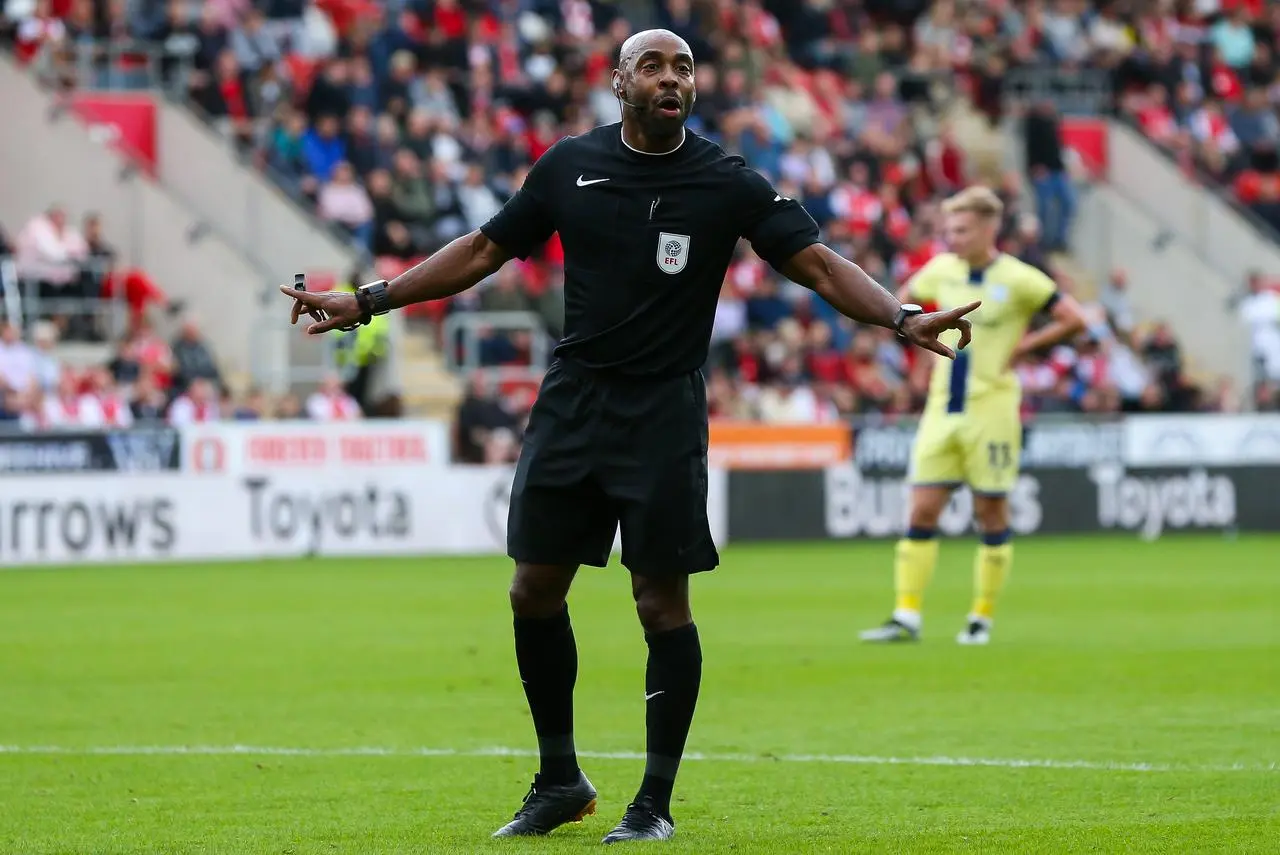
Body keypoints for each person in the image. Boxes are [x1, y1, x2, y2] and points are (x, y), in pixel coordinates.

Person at [280, 29, 977, 844]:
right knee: (531, 589)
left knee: (659, 602)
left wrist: (899, 314)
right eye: (653, 65)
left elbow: (818, 265)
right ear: (619, 82)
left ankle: (653, 803)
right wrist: (368, 299)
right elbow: (480, 250)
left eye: (682, 66)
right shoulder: (568, 164)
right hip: (574, 401)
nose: (671, 78)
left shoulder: (726, 181)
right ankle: (558, 777)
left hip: (663, 411)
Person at [859, 186, 1086, 647]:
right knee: (922, 507)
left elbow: (1074, 318)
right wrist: (922, 353)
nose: (952, 238)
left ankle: (980, 618)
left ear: (989, 228)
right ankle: (907, 616)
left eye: (961, 229)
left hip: (994, 408)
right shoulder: (940, 269)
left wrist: (1024, 346)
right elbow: (902, 304)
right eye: (948, 230)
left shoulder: (1021, 278)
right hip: (943, 407)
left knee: (990, 510)